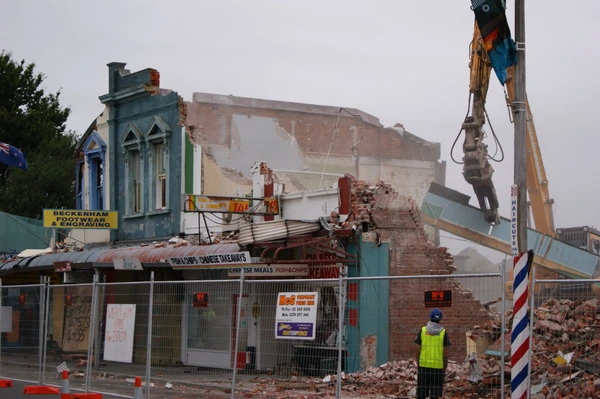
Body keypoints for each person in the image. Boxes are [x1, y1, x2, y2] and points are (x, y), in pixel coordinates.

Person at [414, 308, 450, 399]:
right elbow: (445, 352)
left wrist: (418, 363)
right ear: (440, 319)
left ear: (430, 317)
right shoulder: (443, 332)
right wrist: (444, 367)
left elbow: (417, 349)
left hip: (424, 366)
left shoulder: (422, 331)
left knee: (421, 394)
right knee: (435, 395)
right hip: (437, 368)